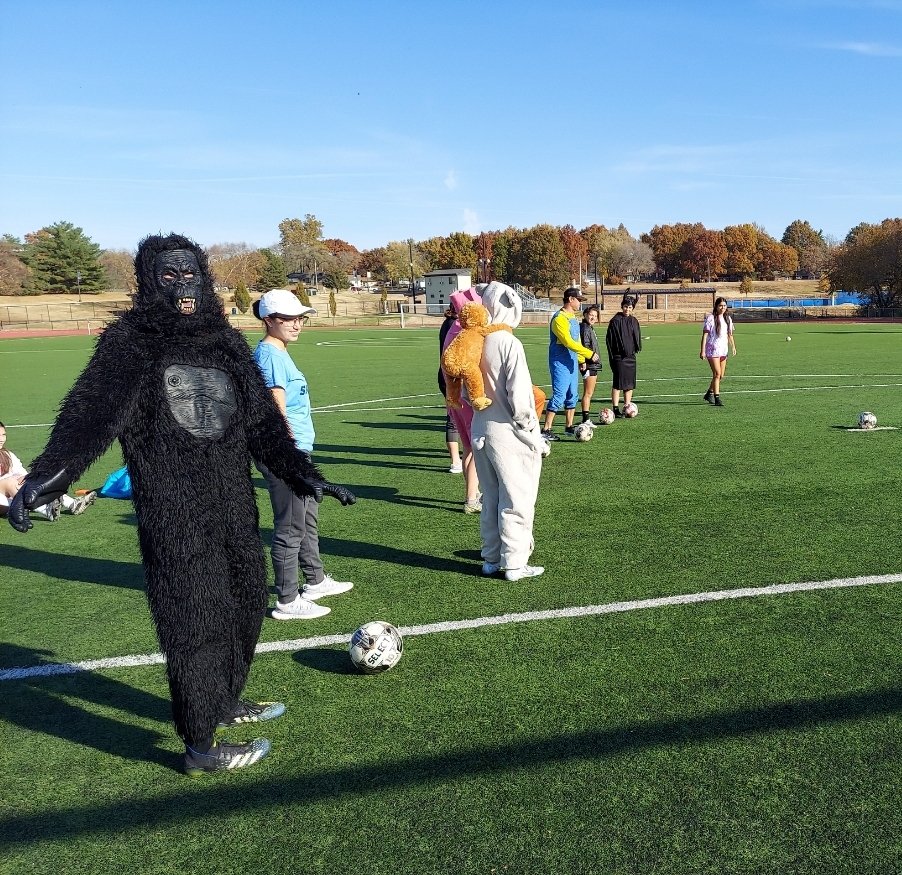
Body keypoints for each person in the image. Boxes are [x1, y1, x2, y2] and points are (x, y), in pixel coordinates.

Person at [8, 234, 356, 776]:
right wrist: (49, 477)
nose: (183, 285)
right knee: (193, 622)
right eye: (169, 276)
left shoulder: (224, 341)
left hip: (235, 507)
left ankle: (222, 700)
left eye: (191, 274)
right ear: (148, 282)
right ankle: (199, 747)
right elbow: (90, 417)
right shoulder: (129, 342)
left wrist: (305, 475)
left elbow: (263, 424)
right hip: (175, 512)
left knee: (243, 605)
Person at [253, 289, 354, 621]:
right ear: (269, 320)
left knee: (306, 516)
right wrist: (290, 455)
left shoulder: (278, 351)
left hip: (296, 452)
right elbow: (275, 406)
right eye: (289, 319)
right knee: (291, 524)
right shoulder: (269, 355)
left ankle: (316, 580)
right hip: (285, 453)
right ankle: (286, 599)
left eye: (300, 318)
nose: (297, 324)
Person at [470, 282, 548, 581]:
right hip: (508, 433)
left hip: (481, 428)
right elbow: (520, 397)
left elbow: (466, 392)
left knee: (491, 497)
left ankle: (490, 558)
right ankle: (515, 563)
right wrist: (532, 433)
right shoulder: (508, 342)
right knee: (517, 497)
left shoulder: (474, 341)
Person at [441, 288, 483, 513]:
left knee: (468, 447)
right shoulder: (463, 332)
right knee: (476, 448)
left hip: (454, 395)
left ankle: (472, 492)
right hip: (467, 395)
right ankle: (471, 498)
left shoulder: (451, 329)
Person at [0, 422, 95, 519]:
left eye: (3, 435)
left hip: (13, 496)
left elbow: (22, 472)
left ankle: (73, 504)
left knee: (34, 478)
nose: (1, 439)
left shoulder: (7, 455)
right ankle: (46, 510)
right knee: (10, 482)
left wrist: (27, 479)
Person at [542, 288, 599, 440]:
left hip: (572, 361)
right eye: (578, 300)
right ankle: (546, 429)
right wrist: (589, 354)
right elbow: (567, 342)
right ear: (570, 299)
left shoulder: (572, 317)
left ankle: (569, 426)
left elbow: (577, 341)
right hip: (560, 361)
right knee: (559, 395)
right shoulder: (559, 318)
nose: (580, 303)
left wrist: (581, 360)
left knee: (572, 395)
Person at [605, 294, 642, 416]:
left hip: (630, 357)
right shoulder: (615, 321)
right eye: (626, 306)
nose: (627, 309)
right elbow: (610, 340)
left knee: (629, 383)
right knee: (618, 383)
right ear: (622, 307)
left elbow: (636, 338)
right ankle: (615, 408)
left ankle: (627, 406)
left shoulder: (634, 321)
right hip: (619, 357)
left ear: (633, 308)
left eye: (630, 307)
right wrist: (614, 355)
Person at [437, 305, 463, 474]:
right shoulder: (455, 325)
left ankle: (456, 461)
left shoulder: (447, 322)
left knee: (453, 417)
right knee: (453, 419)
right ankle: (456, 460)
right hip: (454, 377)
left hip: (445, 375)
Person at [700, 296, 736, 406]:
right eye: (720, 305)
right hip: (712, 350)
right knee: (717, 373)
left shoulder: (728, 319)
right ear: (716, 306)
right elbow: (705, 335)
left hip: (723, 350)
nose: (723, 308)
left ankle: (709, 393)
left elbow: (730, 334)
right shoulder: (710, 318)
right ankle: (717, 399)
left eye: (724, 306)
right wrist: (702, 351)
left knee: (721, 376)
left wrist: (733, 346)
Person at [578, 305, 602, 426]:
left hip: (592, 364)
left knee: (589, 393)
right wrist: (585, 361)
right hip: (589, 364)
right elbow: (584, 346)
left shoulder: (589, 327)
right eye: (591, 315)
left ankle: (586, 418)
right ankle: (585, 419)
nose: (593, 317)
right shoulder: (585, 328)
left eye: (595, 316)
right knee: (588, 393)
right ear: (585, 315)